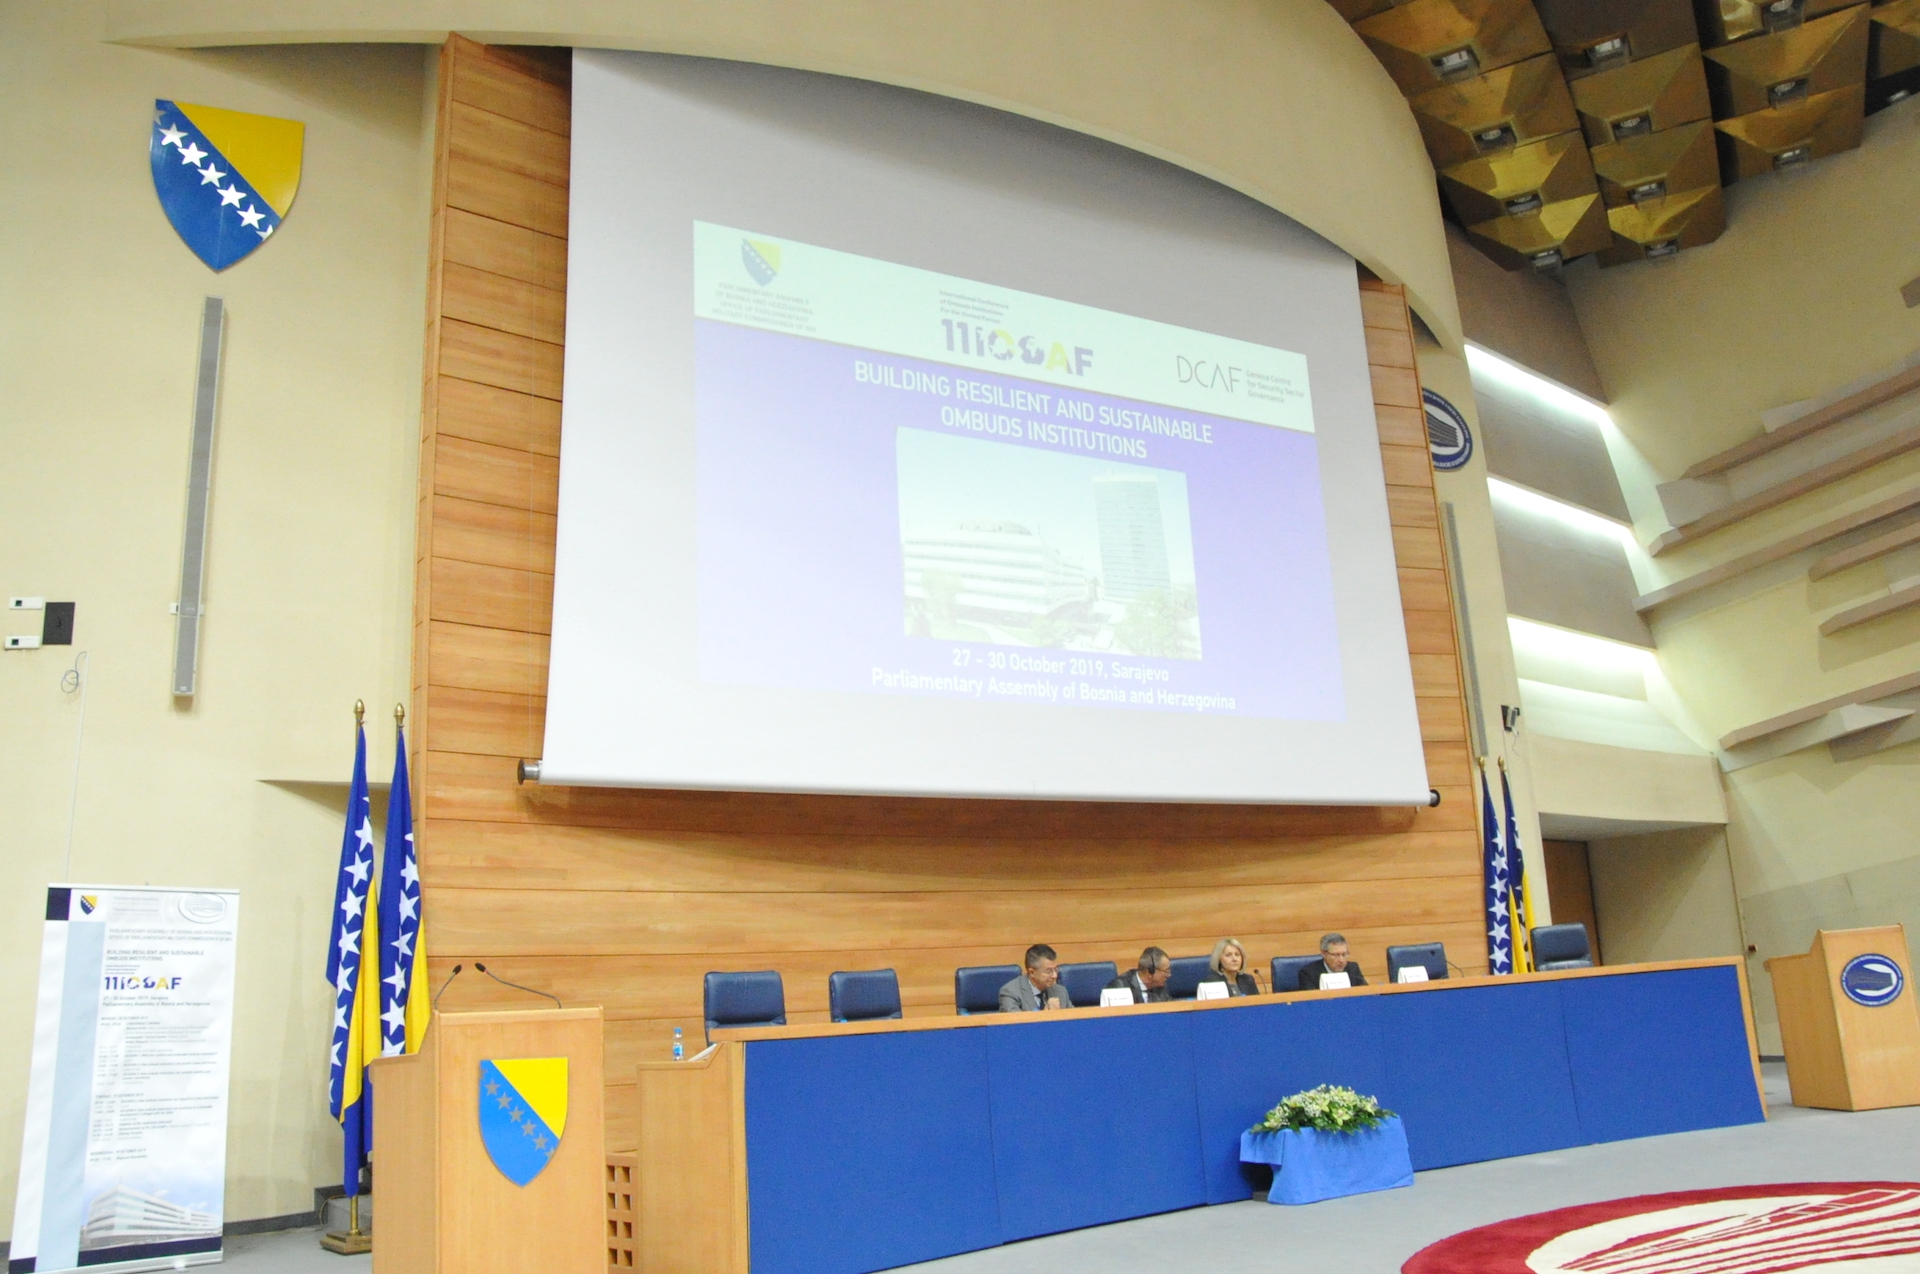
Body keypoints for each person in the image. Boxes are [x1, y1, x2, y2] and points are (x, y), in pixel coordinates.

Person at [999, 943, 1072, 1011]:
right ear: (1032, 972)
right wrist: (1047, 1015)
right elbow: (1015, 1020)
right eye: (1049, 971)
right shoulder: (1011, 993)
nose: (1055, 976)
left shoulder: (1060, 991)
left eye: (1056, 970)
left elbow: (1074, 1018)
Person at [1297, 933, 1367, 990]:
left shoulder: (1353, 969)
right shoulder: (1308, 973)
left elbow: (1365, 992)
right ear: (1324, 953)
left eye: (1344, 954)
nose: (1341, 960)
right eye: (1336, 955)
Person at [1105, 947, 1173, 1004]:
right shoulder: (1120, 987)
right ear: (1150, 972)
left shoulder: (1159, 987)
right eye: (1166, 971)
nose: (1169, 975)